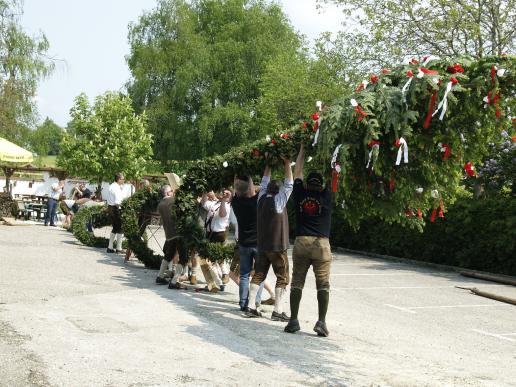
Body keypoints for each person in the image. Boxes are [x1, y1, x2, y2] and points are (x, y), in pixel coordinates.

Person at [284, 144, 333, 337]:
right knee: (323, 283)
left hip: (302, 241)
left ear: (307, 184)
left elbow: (297, 171)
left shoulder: (300, 194)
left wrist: (302, 149)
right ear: (320, 185)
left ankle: (294, 320)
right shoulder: (326, 195)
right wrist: (331, 148)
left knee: (297, 281)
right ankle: (321, 322)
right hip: (321, 244)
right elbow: (332, 173)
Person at [246, 156, 293, 321]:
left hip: (262, 244)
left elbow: (264, 181)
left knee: (258, 274)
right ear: (279, 191)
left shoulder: (261, 198)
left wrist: (269, 164)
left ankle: (251, 306)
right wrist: (287, 163)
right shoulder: (279, 200)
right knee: (283, 276)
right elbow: (289, 184)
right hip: (277, 245)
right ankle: (278, 311)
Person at [232, 175, 270, 312]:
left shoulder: (236, 203)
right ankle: (256, 301)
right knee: (259, 274)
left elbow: (236, 189)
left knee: (244, 275)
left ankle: (243, 303)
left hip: (243, 243)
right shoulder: (256, 202)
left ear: (237, 191)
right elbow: (259, 187)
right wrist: (247, 175)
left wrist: (237, 175)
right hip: (259, 244)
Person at [155, 182, 188, 289]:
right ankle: (174, 281)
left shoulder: (160, 205)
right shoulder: (173, 201)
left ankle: (160, 276)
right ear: (168, 192)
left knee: (169, 255)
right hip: (178, 233)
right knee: (183, 257)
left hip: (169, 234)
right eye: (172, 191)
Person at [201, 189, 232, 290]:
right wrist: (204, 190)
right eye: (222, 192)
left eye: (226, 193)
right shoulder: (215, 203)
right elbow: (204, 203)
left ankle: (223, 277)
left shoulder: (227, 205)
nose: (223, 194)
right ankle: (221, 279)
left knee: (213, 258)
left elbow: (222, 214)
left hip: (219, 233)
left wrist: (223, 200)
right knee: (214, 258)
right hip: (211, 233)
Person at [106, 173, 128, 254]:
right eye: (123, 179)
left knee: (115, 228)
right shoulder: (116, 188)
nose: (124, 180)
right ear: (119, 179)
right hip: (116, 209)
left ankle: (110, 247)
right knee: (120, 228)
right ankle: (119, 248)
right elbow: (117, 202)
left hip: (110, 208)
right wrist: (126, 206)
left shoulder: (112, 185)